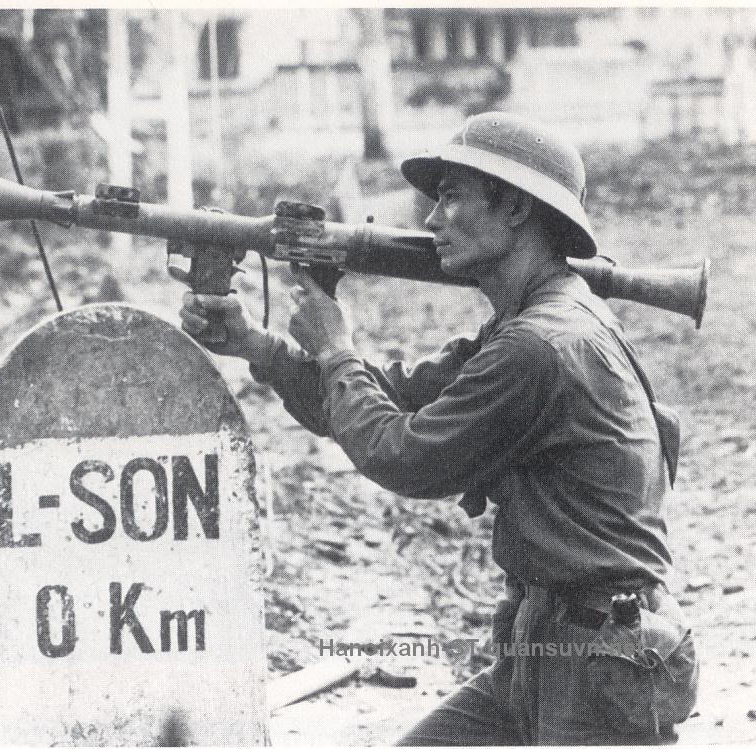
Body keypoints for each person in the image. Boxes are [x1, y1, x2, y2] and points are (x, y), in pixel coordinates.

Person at [179, 111, 698, 745]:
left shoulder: (541, 345)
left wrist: (336, 344)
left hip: (601, 665)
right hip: (556, 647)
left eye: (452, 197)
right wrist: (262, 347)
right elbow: (390, 399)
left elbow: (403, 454)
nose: (431, 220)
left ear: (513, 210)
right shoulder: (534, 322)